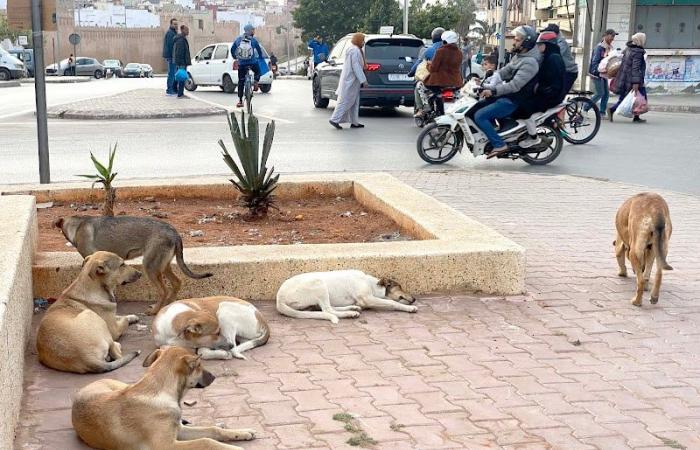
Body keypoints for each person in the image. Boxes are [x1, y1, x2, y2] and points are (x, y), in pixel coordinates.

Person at [472, 25, 540, 159]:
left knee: (480, 116)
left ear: (526, 43)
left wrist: (493, 91)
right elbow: (503, 72)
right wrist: (484, 82)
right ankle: (492, 133)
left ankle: (499, 144)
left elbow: (514, 86)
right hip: (507, 96)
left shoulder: (530, 63)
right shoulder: (519, 57)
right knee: (476, 106)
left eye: (517, 40)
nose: (514, 42)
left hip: (514, 100)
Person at [514, 31, 567, 149]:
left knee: (524, 108)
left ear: (548, 45)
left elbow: (554, 82)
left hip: (551, 96)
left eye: (541, 44)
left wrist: (541, 91)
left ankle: (533, 138)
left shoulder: (553, 59)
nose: (538, 47)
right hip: (548, 93)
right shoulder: (550, 56)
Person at [329, 33, 367, 130]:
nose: (363, 42)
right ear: (358, 40)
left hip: (353, 81)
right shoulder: (354, 50)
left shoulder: (356, 49)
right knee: (345, 100)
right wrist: (363, 80)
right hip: (350, 80)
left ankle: (354, 122)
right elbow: (356, 66)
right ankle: (335, 119)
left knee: (354, 102)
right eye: (362, 40)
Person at [609, 33, 647, 123]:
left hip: (624, 78)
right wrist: (636, 83)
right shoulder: (638, 51)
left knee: (632, 97)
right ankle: (612, 109)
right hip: (633, 79)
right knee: (639, 97)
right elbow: (635, 68)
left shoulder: (628, 49)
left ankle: (636, 116)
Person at [424, 30, 463, 117]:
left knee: (423, 86)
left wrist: (428, 65)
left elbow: (433, 69)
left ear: (444, 40)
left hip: (439, 83)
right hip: (455, 83)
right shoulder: (459, 52)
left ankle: (430, 105)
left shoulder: (440, 51)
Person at [409, 27, 444, 117]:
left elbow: (419, 63)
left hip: (435, 82)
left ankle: (423, 107)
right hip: (453, 83)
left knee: (418, 85)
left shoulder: (429, 50)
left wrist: (411, 73)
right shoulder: (454, 51)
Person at [231, 24, 264, 108]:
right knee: (258, 71)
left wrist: (235, 57)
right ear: (250, 31)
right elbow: (259, 50)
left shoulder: (238, 39)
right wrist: (260, 57)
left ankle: (240, 101)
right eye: (253, 30)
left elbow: (232, 49)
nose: (254, 31)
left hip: (241, 64)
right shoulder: (253, 40)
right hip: (252, 63)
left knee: (241, 81)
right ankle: (256, 81)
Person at [587, 29, 617, 115]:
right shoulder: (600, 47)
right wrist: (598, 72)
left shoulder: (608, 47)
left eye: (614, 36)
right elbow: (595, 62)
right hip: (596, 73)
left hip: (603, 74)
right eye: (612, 36)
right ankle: (585, 108)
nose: (613, 39)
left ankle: (602, 112)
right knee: (600, 93)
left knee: (606, 94)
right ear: (606, 35)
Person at [542, 24, 578, 93]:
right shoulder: (553, 41)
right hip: (560, 71)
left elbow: (555, 55)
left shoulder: (561, 43)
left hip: (569, 72)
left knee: (558, 94)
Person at [172, 25, 191, 99]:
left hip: (182, 62)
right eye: (187, 30)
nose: (188, 31)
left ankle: (176, 90)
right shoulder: (181, 40)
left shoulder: (182, 39)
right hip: (181, 62)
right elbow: (179, 52)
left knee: (180, 76)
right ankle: (180, 94)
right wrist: (181, 63)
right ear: (182, 30)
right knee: (182, 77)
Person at [162, 18, 178, 96]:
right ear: (171, 24)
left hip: (173, 57)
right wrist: (171, 57)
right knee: (171, 73)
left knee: (173, 73)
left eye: (176, 24)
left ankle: (173, 89)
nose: (176, 25)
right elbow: (170, 46)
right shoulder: (170, 33)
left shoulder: (174, 32)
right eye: (174, 24)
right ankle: (169, 90)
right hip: (171, 57)